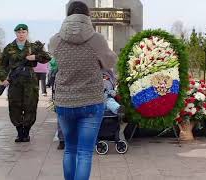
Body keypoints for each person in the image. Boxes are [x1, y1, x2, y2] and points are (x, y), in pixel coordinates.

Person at [48, 1, 117, 179]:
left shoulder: (56, 40)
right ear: (87, 16)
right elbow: (110, 63)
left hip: (64, 102)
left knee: (69, 150)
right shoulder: (97, 39)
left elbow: (54, 59)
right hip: (91, 103)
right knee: (85, 153)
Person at [0, 24, 51, 142]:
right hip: (14, 82)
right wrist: (3, 78)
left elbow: (47, 57)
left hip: (30, 83)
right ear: (15, 33)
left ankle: (26, 132)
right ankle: (19, 132)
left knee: (30, 106)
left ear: (27, 33)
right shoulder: (9, 48)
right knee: (14, 107)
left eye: (23, 32)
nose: (21, 35)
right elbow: (1, 65)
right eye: (19, 32)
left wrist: (35, 57)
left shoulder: (33, 47)